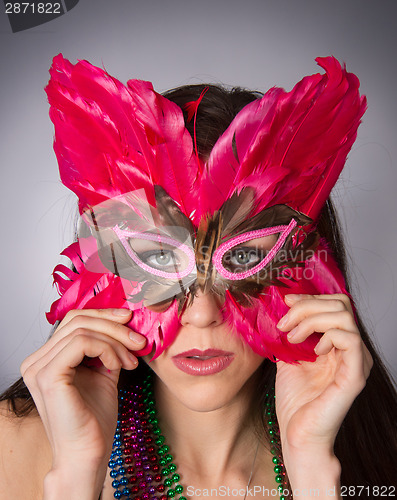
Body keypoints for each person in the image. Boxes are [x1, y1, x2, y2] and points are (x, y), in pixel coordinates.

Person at [0, 55, 396, 500]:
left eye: (244, 256)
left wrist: (313, 468)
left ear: (312, 273)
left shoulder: (383, 460)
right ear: (102, 267)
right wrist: (75, 476)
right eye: (159, 258)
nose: (203, 313)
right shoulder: (9, 451)